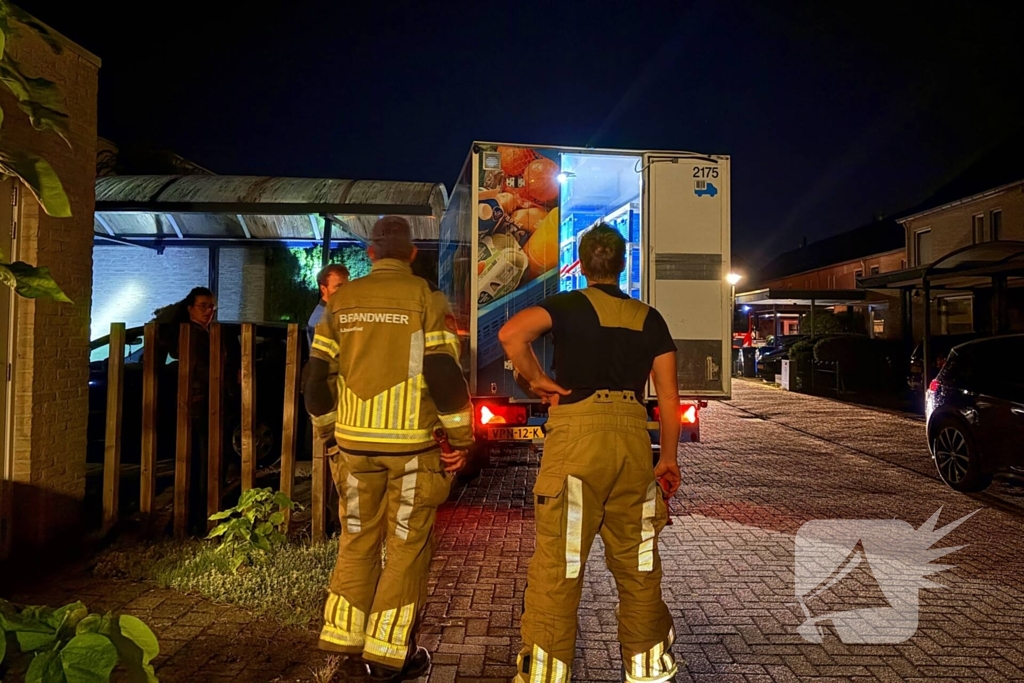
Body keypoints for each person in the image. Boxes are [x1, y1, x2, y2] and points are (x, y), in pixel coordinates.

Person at [498, 223, 683, 683]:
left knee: (559, 569)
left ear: (580, 265)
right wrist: (668, 459)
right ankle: (648, 672)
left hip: (577, 439)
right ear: (622, 265)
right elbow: (669, 399)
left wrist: (536, 379)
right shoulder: (650, 318)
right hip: (633, 443)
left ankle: (543, 675)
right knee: (639, 568)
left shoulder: (565, 306)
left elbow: (511, 334)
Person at [303, 216, 475, 682]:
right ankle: (386, 657)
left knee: (357, 538)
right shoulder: (427, 300)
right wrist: (461, 440)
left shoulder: (341, 302)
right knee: (405, 547)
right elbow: (443, 373)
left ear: (372, 254)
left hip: (354, 449)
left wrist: (329, 435)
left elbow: (316, 380)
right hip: (411, 451)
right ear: (412, 253)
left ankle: (344, 641)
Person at [152, 287, 239, 533]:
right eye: (203, 306)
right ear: (190, 308)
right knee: (197, 463)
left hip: (216, 405)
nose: (208, 311)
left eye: (211, 306)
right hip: (197, 406)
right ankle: (194, 518)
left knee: (213, 462)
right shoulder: (185, 335)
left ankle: (206, 513)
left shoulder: (214, 333)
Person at [308, 263, 350, 348]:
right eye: (338, 287)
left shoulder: (333, 312)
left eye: (347, 286)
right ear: (323, 289)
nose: (345, 291)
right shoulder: (321, 320)